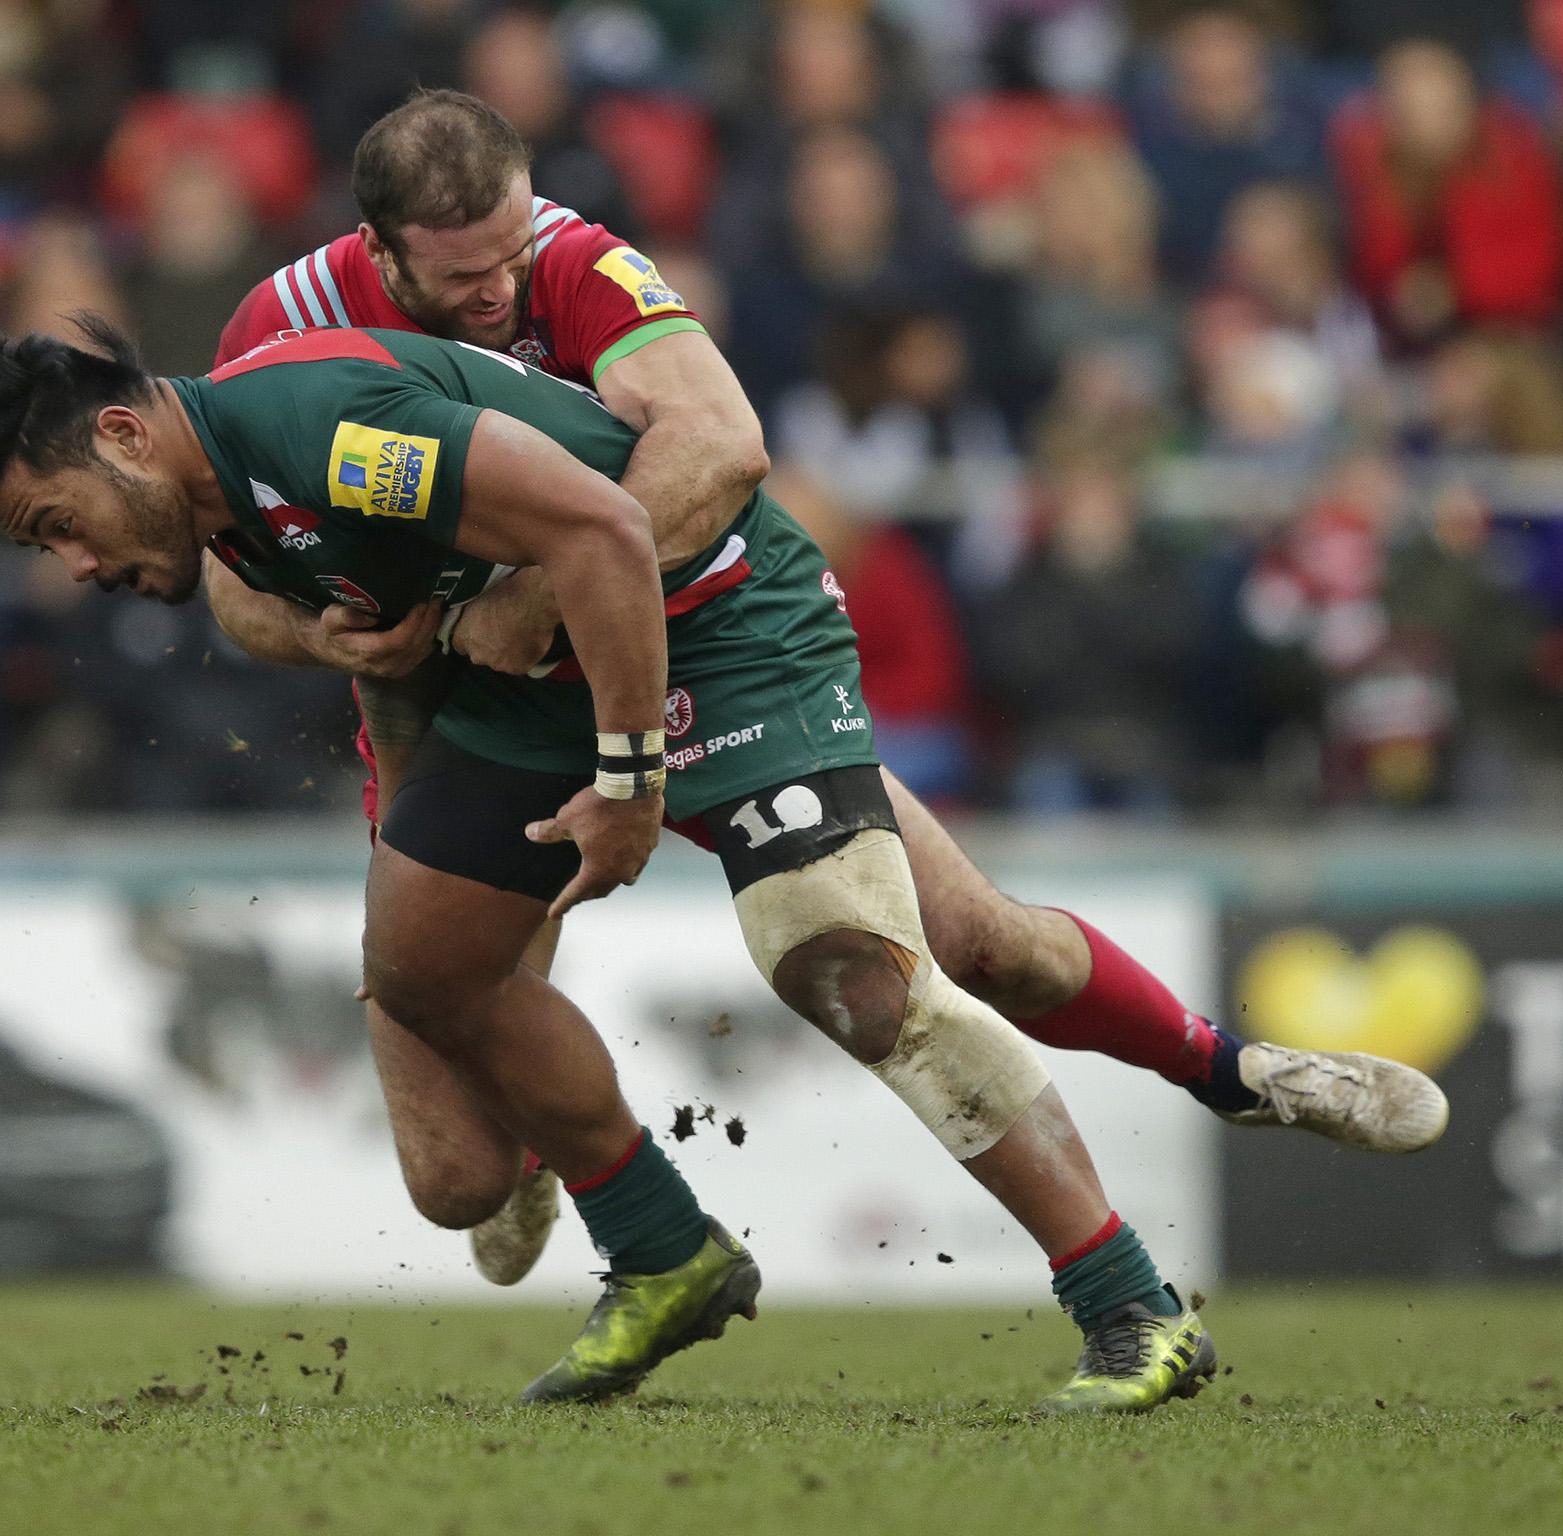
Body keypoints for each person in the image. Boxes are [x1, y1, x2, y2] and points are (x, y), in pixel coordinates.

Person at [205, 88, 1449, 1280]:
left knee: (978, 944)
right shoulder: (280, 328)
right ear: (377, 248)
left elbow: (721, 442)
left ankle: (1234, 1074)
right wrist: (326, 641)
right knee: (454, 1180)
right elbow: (231, 583)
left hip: (688, 662)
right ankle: (548, 1143)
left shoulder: (576, 264)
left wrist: (547, 590)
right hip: (466, 712)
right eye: (460, 276)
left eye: (507, 256)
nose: (495, 294)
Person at [0, 313, 1218, 1414]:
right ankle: (665, 1253)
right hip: (542, 667)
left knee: (853, 978)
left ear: (121, 439)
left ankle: (1132, 1306)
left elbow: (604, 529)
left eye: (57, 526)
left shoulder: (318, 430)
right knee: (422, 970)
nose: (77, 565)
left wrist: (628, 782)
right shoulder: (225, 503)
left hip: (722, 631)